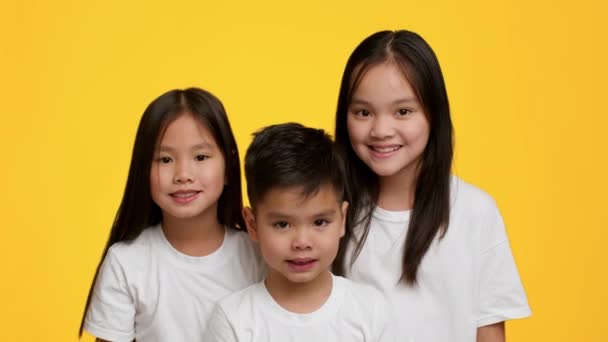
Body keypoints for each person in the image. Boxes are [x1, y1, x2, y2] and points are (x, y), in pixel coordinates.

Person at [333, 30, 531, 342]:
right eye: (363, 112)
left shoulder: (474, 211)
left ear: (433, 115)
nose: (381, 130)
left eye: (403, 111)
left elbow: (489, 329)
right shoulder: (330, 212)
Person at [79, 87, 264, 342]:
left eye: (200, 156)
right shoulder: (126, 262)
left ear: (229, 166)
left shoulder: (258, 254)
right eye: (165, 160)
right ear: (142, 169)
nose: (183, 174)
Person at [204, 123, 393, 342]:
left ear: (342, 220)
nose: (302, 242)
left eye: (320, 222)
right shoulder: (233, 319)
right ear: (253, 225)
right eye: (282, 224)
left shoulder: (370, 310)